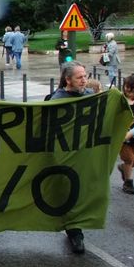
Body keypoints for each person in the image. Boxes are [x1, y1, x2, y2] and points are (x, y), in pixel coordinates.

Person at [48, 61, 92, 254]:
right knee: (70, 193)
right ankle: (75, 232)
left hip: (85, 156)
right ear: (68, 80)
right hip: (64, 157)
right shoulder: (56, 100)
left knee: (83, 193)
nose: (84, 80)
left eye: (85, 76)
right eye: (79, 77)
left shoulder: (92, 97)